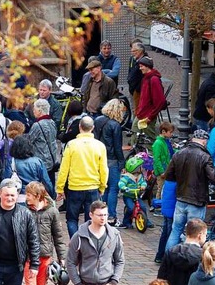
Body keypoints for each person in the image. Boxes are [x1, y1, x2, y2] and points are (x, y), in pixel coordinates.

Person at [164, 129, 215, 251]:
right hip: (197, 201)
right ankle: (189, 259)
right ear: (204, 142)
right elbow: (214, 178)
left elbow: (169, 175)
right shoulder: (205, 156)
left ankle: (168, 258)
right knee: (194, 234)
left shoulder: (179, 153)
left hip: (181, 198)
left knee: (176, 230)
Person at [56, 116, 108, 237]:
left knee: (72, 218)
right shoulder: (100, 146)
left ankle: (76, 243)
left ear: (80, 127)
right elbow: (104, 169)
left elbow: (64, 168)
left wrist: (60, 188)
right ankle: (88, 243)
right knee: (91, 219)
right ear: (93, 128)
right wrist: (102, 186)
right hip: (93, 186)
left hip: (75, 187)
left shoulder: (71, 145)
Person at [24, 181, 66, 285]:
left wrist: (61, 257)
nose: (26, 197)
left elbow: (58, 236)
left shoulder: (52, 212)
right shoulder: (24, 211)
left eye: (29, 195)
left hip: (45, 256)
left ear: (37, 196)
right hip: (29, 256)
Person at [158, 218, 207, 285]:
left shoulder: (171, 252)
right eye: (205, 234)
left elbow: (161, 279)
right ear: (200, 235)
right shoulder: (203, 255)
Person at [92, 98, 126, 226]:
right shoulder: (115, 125)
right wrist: (122, 162)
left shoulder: (98, 120)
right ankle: (111, 215)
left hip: (99, 158)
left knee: (103, 188)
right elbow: (117, 147)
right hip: (111, 159)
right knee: (113, 188)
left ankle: (101, 213)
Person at [7, 135, 53, 201]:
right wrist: (52, 195)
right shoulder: (37, 162)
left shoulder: (11, 162)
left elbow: (6, 180)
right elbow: (46, 181)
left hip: (17, 196)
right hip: (34, 195)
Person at [26, 98, 59, 188]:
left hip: (41, 161)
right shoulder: (52, 122)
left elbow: (29, 141)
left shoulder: (37, 125)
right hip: (51, 160)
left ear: (40, 110)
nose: (33, 111)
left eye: (35, 109)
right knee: (50, 185)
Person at [132, 56, 166, 139]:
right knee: (136, 137)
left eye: (141, 66)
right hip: (142, 114)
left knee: (148, 140)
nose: (140, 68)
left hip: (147, 116)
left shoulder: (154, 80)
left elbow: (159, 101)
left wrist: (150, 117)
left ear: (147, 66)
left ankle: (150, 152)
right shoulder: (146, 78)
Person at [118, 155, 150, 229]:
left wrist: (143, 186)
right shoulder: (127, 177)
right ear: (135, 168)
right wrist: (124, 188)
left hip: (136, 195)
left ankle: (146, 221)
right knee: (131, 208)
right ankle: (126, 222)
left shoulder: (140, 176)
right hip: (128, 196)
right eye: (140, 167)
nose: (142, 168)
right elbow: (121, 183)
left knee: (143, 207)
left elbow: (143, 182)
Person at [152, 122, 175, 200]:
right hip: (162, 171)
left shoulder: (165, 141)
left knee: (164, 188)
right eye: (170, 132)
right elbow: (156, 159)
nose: (171, 134)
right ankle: (158, 204)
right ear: (163, 132)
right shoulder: (158, 143)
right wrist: (161, 171)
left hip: (166, 169)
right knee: (161, 189)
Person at [127, 41, 147, 112]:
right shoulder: (135, 59)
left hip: (138, 90)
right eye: (132, 51)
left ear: (140, 51)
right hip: (133, 89)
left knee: (137, 111)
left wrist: (137, 89)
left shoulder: (145, 61)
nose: (132, 53)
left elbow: (144, 77)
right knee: (134, 110)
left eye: (134, 51)